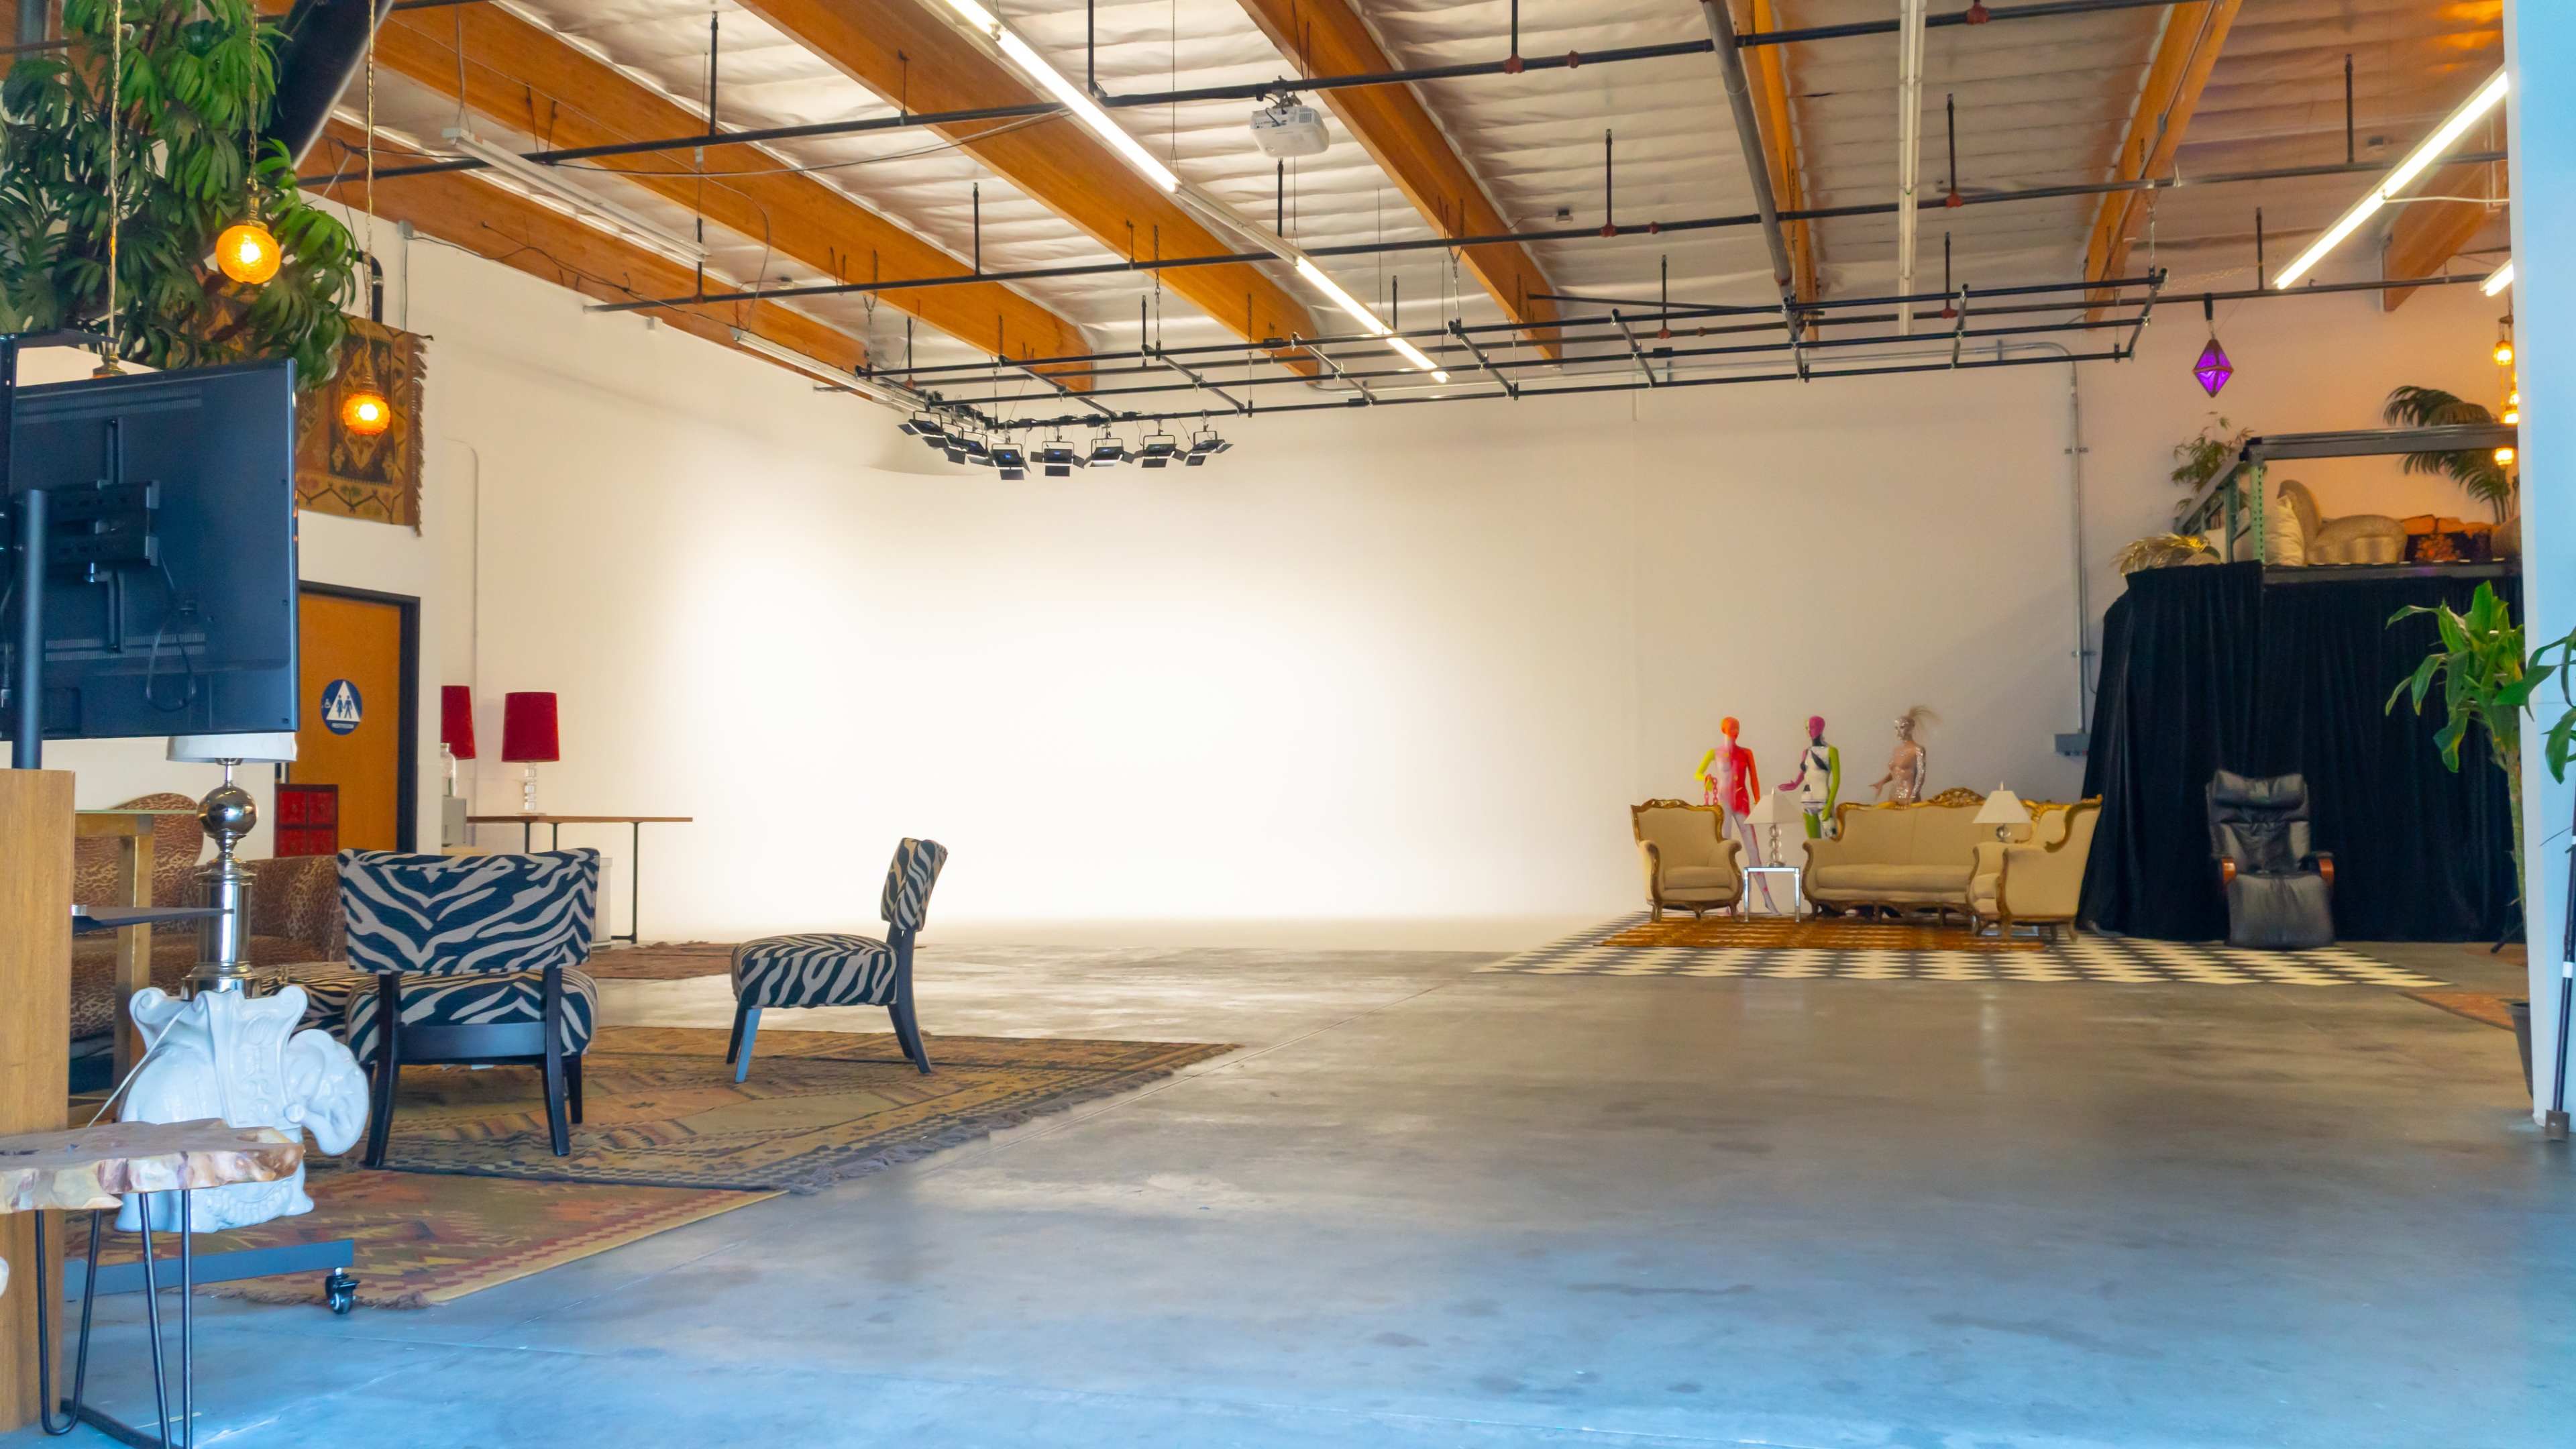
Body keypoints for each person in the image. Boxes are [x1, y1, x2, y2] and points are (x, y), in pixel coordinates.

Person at [1785, 716, 1840, 837]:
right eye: (1807, 728)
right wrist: (1795, 784)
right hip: (1807, 801)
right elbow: (1804, 771)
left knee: (1834, 839)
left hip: (1823, 800)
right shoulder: (1806, 752)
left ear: (1821, 728)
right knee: (1814, 845)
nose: (1809, 731)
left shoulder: (1831, 751)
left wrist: (1829, 805)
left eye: (1812, 727)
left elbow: (1836, 780)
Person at [1872, 706, 1935, 803]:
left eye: (1902, 727)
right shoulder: (1896, 750)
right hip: (1893, 794)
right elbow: (1897, 770)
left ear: (1911, 727)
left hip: (1908, 794)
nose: (1898, 731)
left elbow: (1920, 776)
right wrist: (1882, 782)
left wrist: (1913, 795)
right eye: (1896, 728)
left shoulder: (1917, 750)